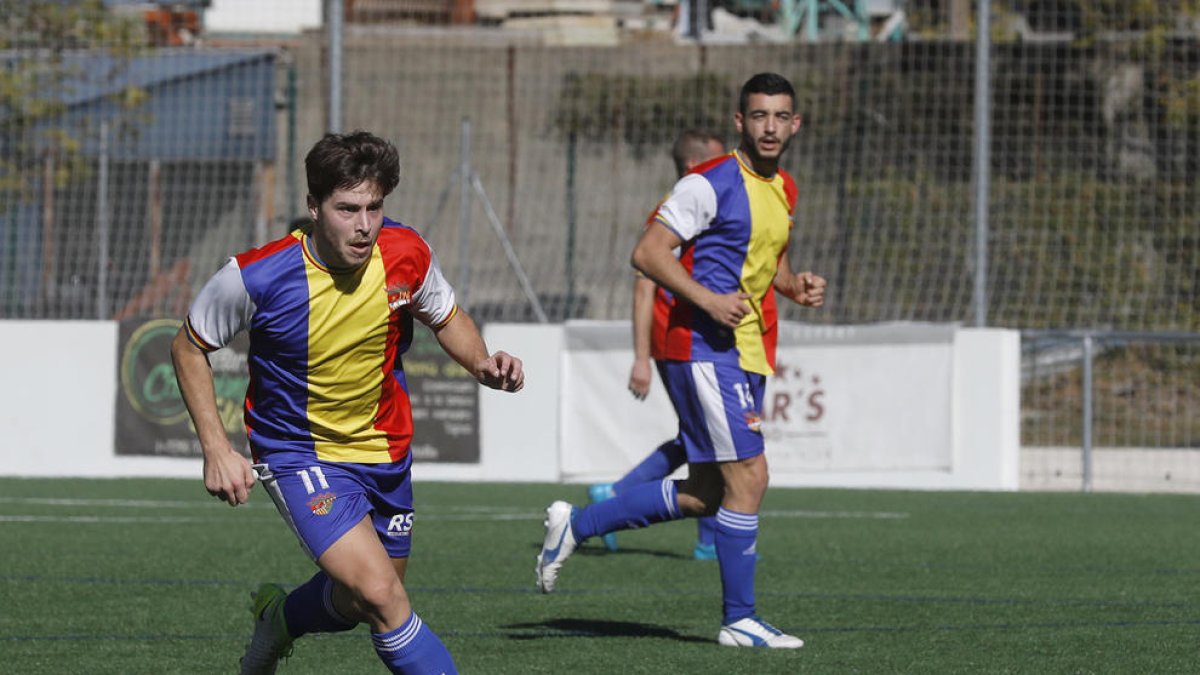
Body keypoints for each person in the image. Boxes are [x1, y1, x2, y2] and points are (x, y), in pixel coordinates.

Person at [171, 130, 524, 674]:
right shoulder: (256, 276)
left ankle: (279, 618)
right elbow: (188, 346)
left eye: (374, 207)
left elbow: (446, 315)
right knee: (384, 596)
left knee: (363, 600)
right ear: (313, 207)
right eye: (346, 209)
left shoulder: (406, 252)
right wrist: (216, 449)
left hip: (385, 451)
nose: (363, 225)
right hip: (298, 454)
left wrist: (480, 363)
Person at [536, 73, 826, 649]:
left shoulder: (785, 188)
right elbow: (646, 253)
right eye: (759, 116)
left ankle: (580, 523)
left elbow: (770, 265)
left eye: (781, 117)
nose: (770, 126)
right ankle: (739, 618)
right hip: (702, 349)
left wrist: (796, 286)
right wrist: (708, 300)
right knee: (752, 476)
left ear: (795, 125)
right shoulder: (708, 183)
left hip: (748, 353)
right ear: (739, 123)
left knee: (706, 493)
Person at [587, 128, 727, 559]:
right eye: (719, 164)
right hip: (675, 342)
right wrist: (642, 358)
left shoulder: (709, 211)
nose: (729, 173)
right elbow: (644, 288)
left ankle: (616, 492)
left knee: (701, 438)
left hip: (693, 342)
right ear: (693, 168)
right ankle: (705, 539)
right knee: (710, 441)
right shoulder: (674, 213)